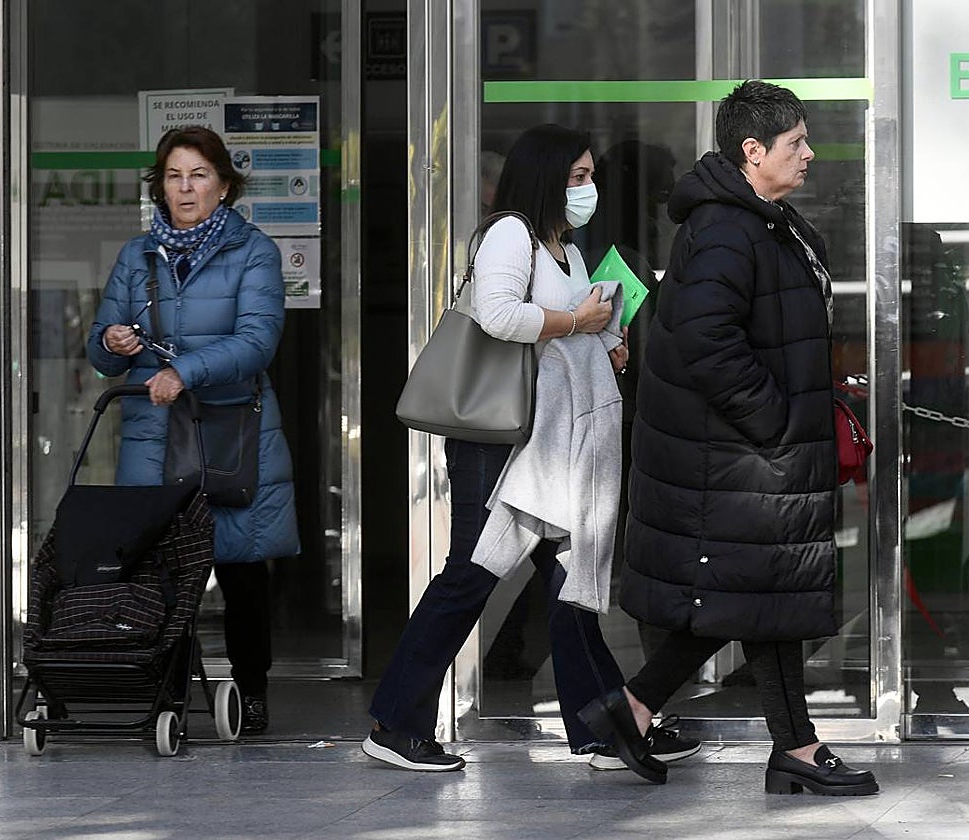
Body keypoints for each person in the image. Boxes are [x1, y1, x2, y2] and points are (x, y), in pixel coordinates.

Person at [363, 123, 699, 773]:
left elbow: (555, 337)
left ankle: (605, 728)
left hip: (545, 441)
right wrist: (579, 322)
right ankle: (396, 721)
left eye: (591, 176)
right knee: (469, 577)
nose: (588, 188)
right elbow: (498, 316)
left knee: (568, 584)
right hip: (499, 439)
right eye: (577, 177)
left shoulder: (564, 248)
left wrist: (606, 343)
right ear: (544, 176)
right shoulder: (509, 234)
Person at [579, 81, 879, 796]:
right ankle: (758, 739)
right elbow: (707, 342)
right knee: (744, 596)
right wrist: (775, 418)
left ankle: (768, 741)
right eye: (794, 142)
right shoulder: (725, 228)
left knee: (757, 597)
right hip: (741, 458)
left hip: (753, 457)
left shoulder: (765, 221)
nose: (808, 154)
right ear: (753, 151)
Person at [86, 125, 298, 734]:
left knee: (240, 569)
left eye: (199, 175)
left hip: (230, 432)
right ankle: (170, 694)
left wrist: (184, 370)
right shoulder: (136, 254)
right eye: (174, 176)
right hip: (154, 437)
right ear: (160, 186)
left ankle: (251, 692)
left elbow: (259, 342)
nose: (185, 188)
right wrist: (111, 341)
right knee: (160, 575)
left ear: (224, 186)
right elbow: (103, 354)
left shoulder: (254, 250)